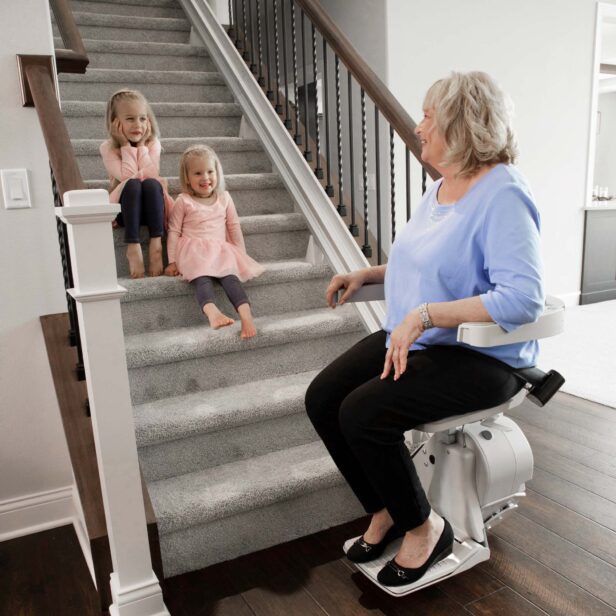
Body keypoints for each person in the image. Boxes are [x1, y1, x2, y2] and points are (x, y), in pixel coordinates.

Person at [305, 71, 544, 587]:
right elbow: (425, 267)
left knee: (363, 412)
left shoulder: (503, 193)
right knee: (323, 398)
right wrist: (368, 275)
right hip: (423, 338)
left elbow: (523, 298)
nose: (418, 126)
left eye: (429, 117)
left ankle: (424, 528)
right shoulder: (440, 188)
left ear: (459, 125)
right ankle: (390, 508)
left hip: (485, 357)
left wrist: (426, 315)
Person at [164, 145, 264, 338]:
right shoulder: (183, 201)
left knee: (231, 278)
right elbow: (174, 231)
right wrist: (172, 261)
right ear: (187, 178)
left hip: (220, 250)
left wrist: (240, 254)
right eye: (198, 173)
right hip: (193, 250)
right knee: (202, 279)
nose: (205, 178)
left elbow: (234, 227)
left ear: (217, 172)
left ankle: (246, 317)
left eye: (210, 171)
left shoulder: (224, 198)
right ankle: (212, 312)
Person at [100, 89, 173, 278]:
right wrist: (125, 145)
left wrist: (141, 146)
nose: (138, 125)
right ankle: (133, 246)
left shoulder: (152, 143)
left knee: (151, 184)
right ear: (115, 123)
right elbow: (129, 176)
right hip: (127, 211)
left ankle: (156, 244)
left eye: (142, 118)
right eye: (130, 119)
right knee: (133, 185)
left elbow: (151, 174)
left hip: (153, 209)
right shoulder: (108, 148)